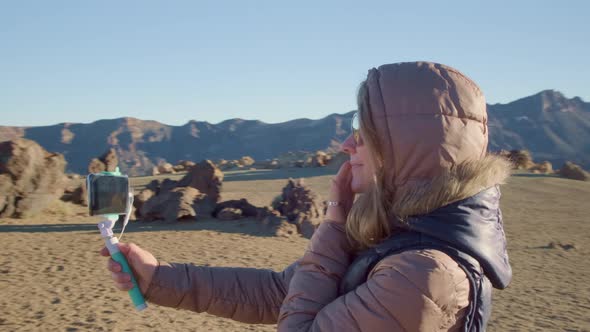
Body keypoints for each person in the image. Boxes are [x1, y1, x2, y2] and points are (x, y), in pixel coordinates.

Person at [101, 61, 512, 331]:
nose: (347, 145)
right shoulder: (399, 236)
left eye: (362, 130)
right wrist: (158, 279)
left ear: (405, 147)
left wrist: (334, 222)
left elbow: (300, 317)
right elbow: (287, 292)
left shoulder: (424, 275)